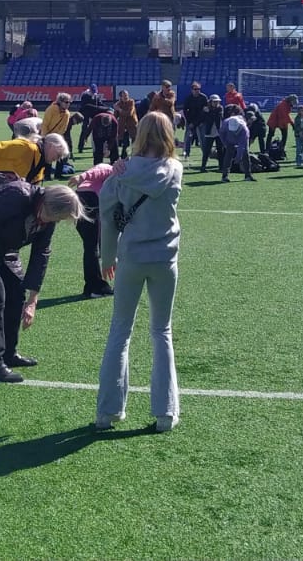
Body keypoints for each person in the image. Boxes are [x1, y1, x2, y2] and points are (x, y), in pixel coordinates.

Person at [94, 112, 183, 433]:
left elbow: (107, 213)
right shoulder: (175, 169)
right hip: (165, 258)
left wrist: (107, 256)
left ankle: (108, 411)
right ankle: (166, 413)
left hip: (130, 256)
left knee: (120, 331)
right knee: (161, 331)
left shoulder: (122, 172)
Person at [0, 181, 84, 383]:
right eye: (56, 217)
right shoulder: (17, 196)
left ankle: (9, 354)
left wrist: (33, 299)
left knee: (16, 294)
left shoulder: (50, 216)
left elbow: (41, 252)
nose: (54, 222)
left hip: (7, 250)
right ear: (47, 204)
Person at [68, 163, 117, 299]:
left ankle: (92, 286)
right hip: (89, 200)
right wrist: (81, 177)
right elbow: (99, 170)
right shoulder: (111, 169)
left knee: (91, 246)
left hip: (81, 200)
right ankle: (96, 287)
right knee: (91, 247)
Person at [0, 134, 69, 187]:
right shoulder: (27, 148)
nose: (58, 159)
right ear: (51, 146)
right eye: (58, 154)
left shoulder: (41, 165)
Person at [219, 104, 254, 183]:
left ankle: (248, 175)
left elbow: (242, 146)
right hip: (229, 140)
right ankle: (224, 176)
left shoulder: (245, 131)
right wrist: (225, 144)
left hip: (240, 139)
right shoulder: (226, 123)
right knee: (228, 155)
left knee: (245, 154)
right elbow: (221, 134)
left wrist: (238, 157)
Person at [179, 82, 207, 160]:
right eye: (195, 89)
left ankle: (205, 154)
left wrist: (200, 122)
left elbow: (205, 111)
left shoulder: (203, 97)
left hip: (201, 122)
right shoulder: (188, 98)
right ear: (192, 90)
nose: (197, 90)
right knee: (188, 138)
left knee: (202, 139)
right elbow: (185, 110)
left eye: (198, 89)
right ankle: (186, 154)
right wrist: (189, 122)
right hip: (190, 121)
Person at [114, 91, 139, 157]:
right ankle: (124, 155)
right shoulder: (118, 104)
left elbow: (129, 113)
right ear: (120, 97)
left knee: (134, 140)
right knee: (125, 142)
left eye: (127, 95)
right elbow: (115, 116)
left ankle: (135, 154)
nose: (126, 97)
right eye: (124, 96)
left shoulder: (131, 102)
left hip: (132, 124)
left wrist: (119, 109)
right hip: (123, 126)